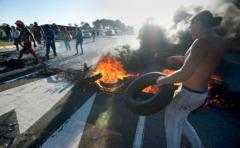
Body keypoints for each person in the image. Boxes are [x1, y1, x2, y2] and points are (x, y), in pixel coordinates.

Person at [156, 10, 224, 148]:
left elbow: (184, 74)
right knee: (180, 120)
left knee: (172, 121)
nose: (189, 28)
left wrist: (162, 80)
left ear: (198, 23)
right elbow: (203, 60)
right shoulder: (217, 40)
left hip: (189, 94)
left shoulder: (201, 42)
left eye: (190, 24)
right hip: (200, 94)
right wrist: (181, 58)